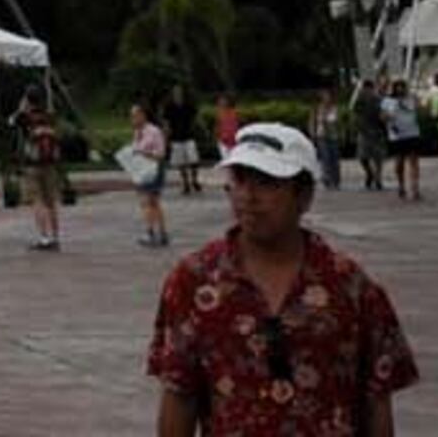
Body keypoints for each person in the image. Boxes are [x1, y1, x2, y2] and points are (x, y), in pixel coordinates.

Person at [148, 118, 417, 437]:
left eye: (266, 182)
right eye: (240, 180)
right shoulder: (194, 281)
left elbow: (376, 402)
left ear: (304, 196)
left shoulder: (350, 286)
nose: (248, 196)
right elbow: (179, 396)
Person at [16, 93, 66, 251]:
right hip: (50, 165)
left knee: (37, 201)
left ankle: (44, 238)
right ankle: (55, 237)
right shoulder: (50, 117)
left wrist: (22, 106)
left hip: (32, 165)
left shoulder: (25, 118)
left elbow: (14, 120)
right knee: (51, 202)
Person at [130, 99, 174, 249]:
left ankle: (152, 233)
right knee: (151, 202)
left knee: (150, 201)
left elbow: (160, 154)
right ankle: (160, 233)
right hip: (143, 168)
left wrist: (143, 153)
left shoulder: (154, 131)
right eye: (132, 116)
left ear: (143, 115)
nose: (133, 119)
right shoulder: (137, 133)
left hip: (154, 168)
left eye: (135, 115)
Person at [385, 81, 427, 205]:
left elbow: (423, 110)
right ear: (394, 89)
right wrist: (388, 116)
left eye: (402, 87)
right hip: (397, 136)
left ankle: (415, 188)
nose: (400, 89)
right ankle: (401, 185)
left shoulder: (411, 98)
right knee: (399, 164)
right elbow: (382, 117)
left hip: (413, 134)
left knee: (414, 162)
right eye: (397, 87)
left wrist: (420, 101)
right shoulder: (388, 101)